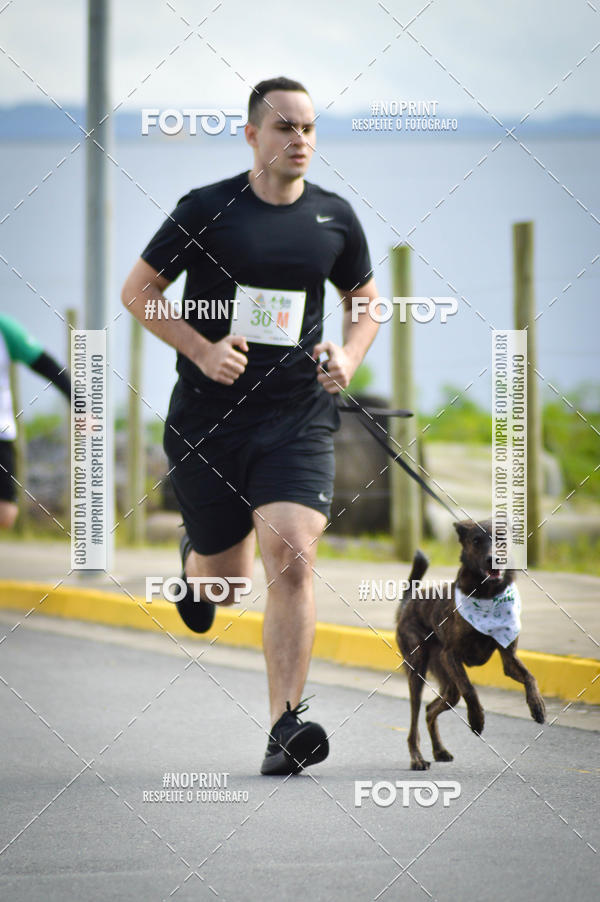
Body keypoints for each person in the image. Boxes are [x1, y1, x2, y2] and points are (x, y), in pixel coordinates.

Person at [121, 76, 380, 775]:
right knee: (225, 584)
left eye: (310, 129)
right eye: (285, 128)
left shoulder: (334, 218)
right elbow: (139, 292)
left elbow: (366, 301)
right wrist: (201, 350)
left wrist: (348, 355)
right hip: (208, 425)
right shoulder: (207, 209)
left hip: (297, 417)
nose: (301, 141)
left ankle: (284, 727)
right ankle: (194, 567)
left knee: (293, 555)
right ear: (252, 136)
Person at [0, 313, 71, 529]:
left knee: (6, 513)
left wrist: (79, 404)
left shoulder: (5, 328)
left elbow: (45, 365)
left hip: (2, 431)